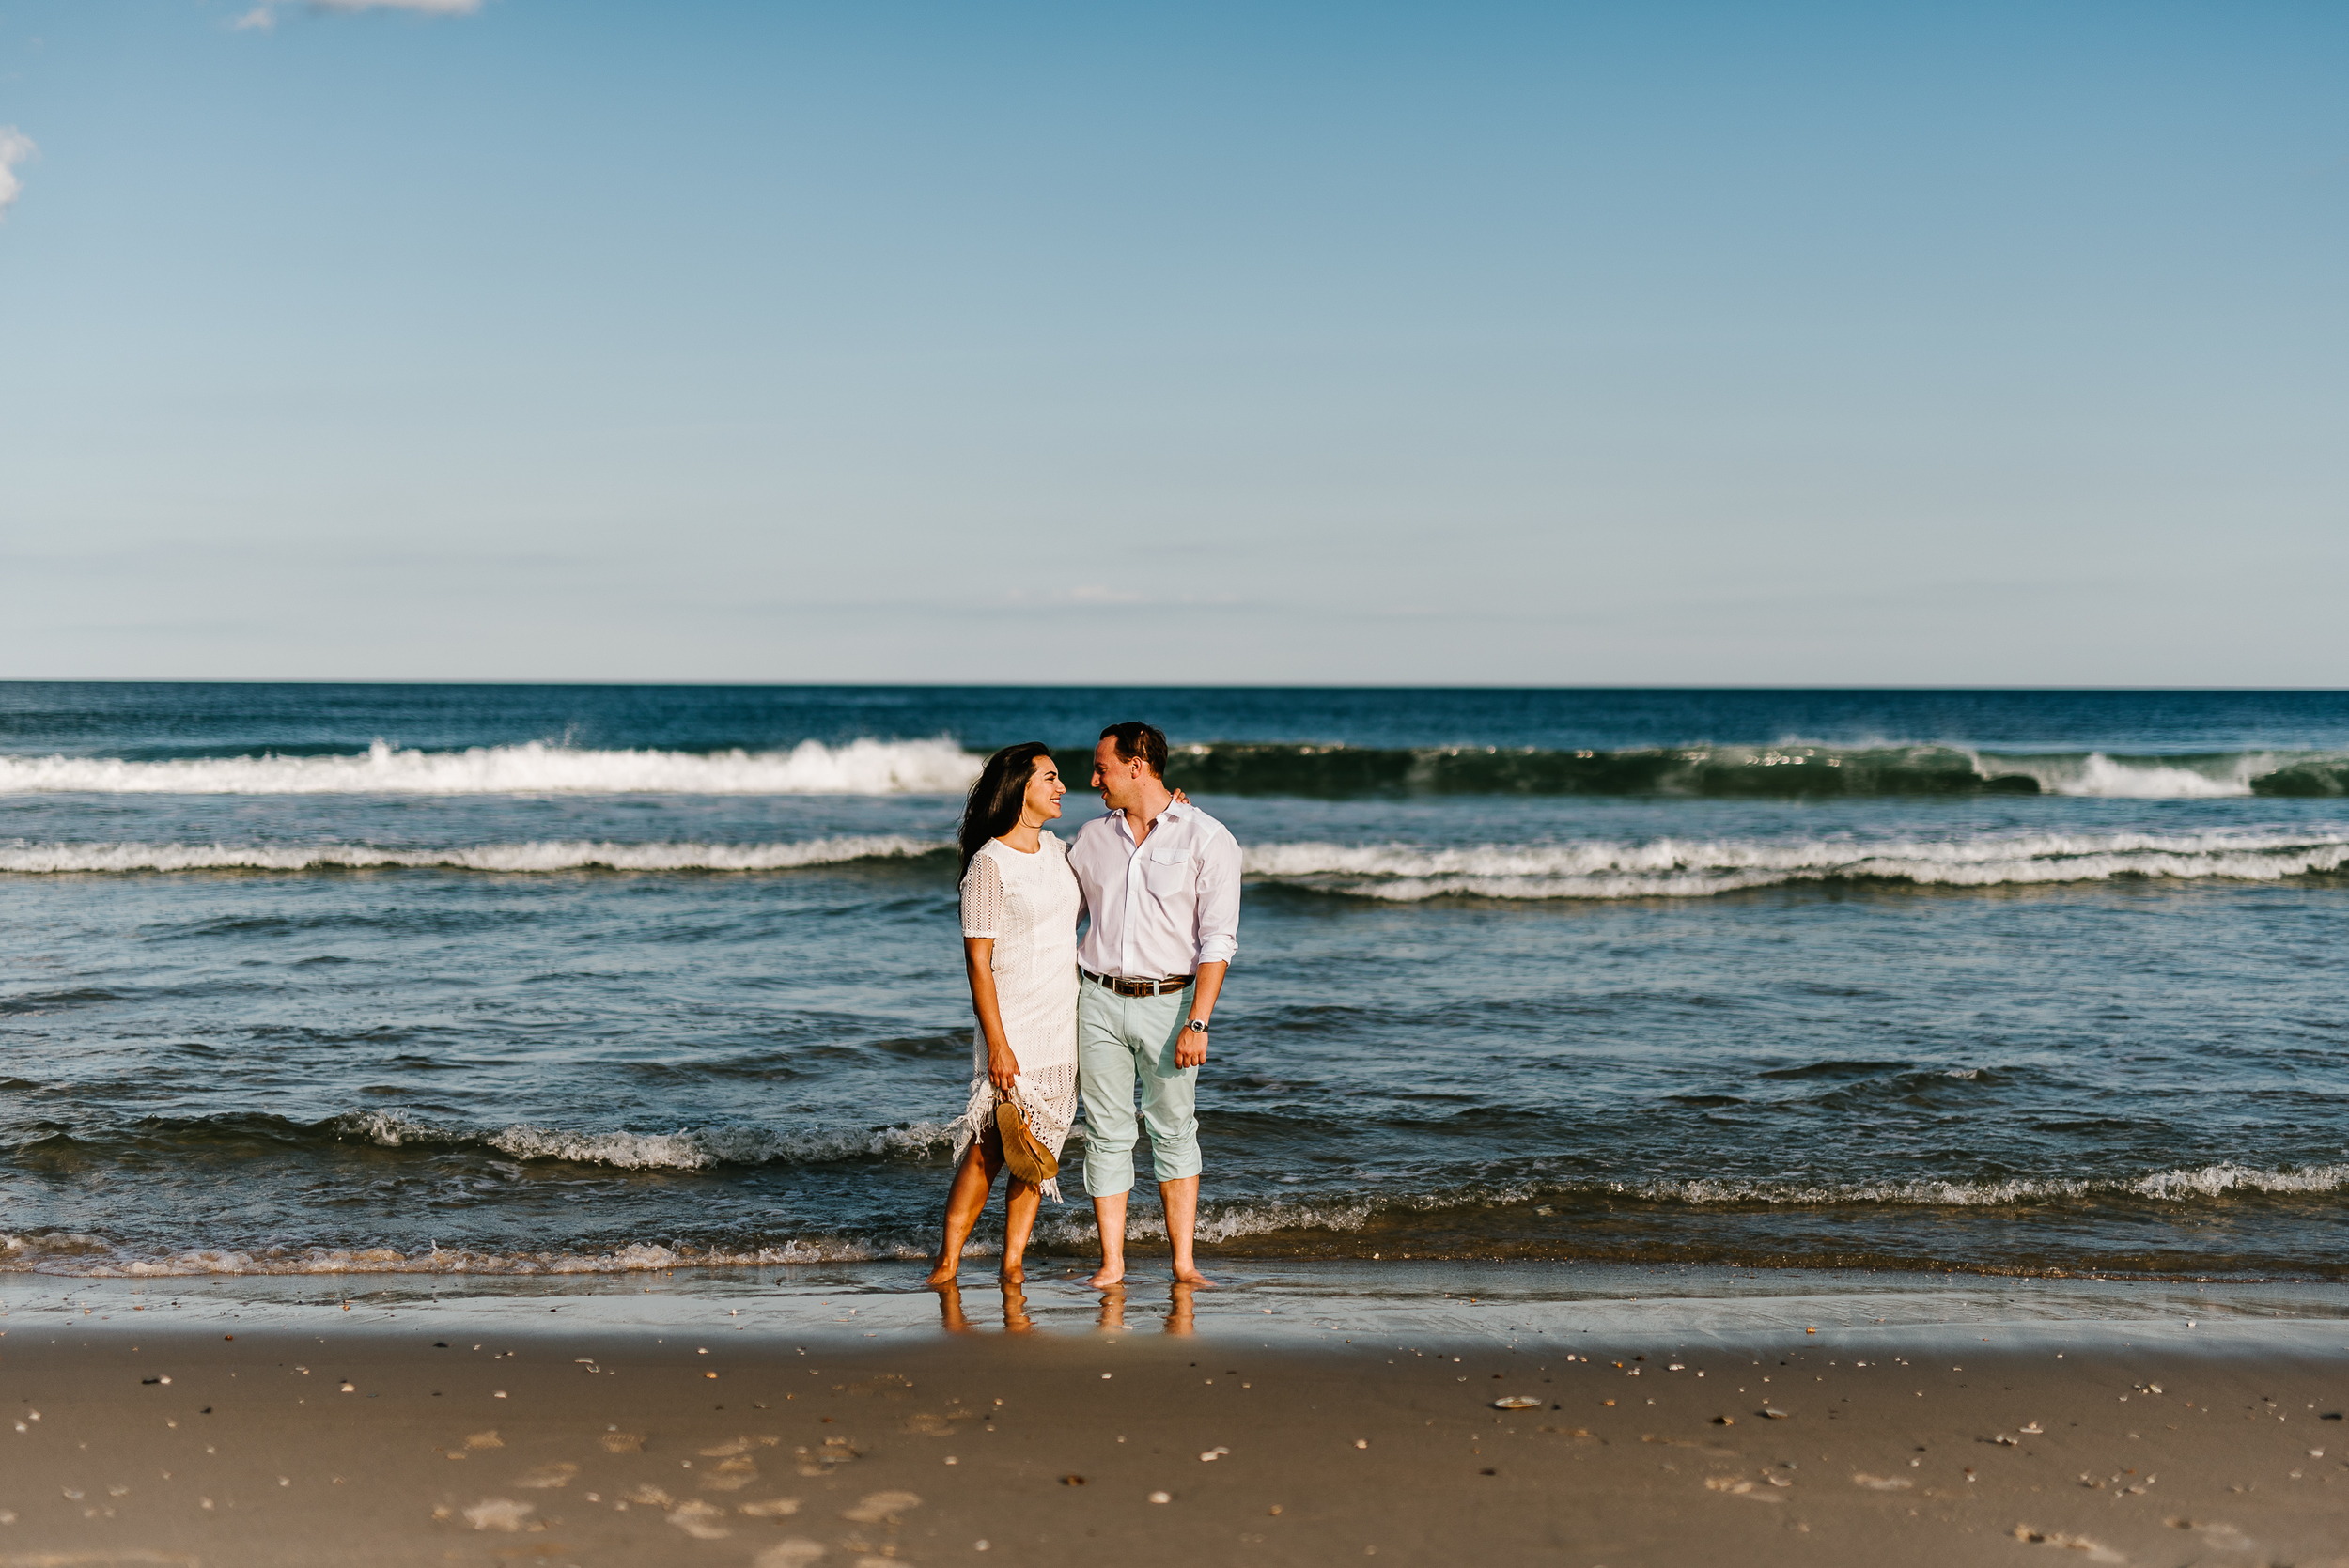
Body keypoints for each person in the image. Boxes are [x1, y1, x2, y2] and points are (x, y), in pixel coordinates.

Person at [1066, 721, 1242, 1287]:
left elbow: (1219, 940)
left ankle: (1184, 1264)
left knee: (1173, 1130)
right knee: (1106, 1132)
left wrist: (1199, 1021)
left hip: (1172, 1005)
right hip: (1095, 1000)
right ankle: (1112, 1265)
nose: (1093, 779)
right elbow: (1058, 918)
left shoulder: (1208, 838)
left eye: (1102, 767)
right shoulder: (1091, 839)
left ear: (1137, 765)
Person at [927, 742, 1081, 1286]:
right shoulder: (988, 865)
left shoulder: (1061, 851)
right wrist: (997, 1043)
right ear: (1020, 788)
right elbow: (978, 961)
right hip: (1013, 1026)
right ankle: (947, 1262)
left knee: (1035, 1151)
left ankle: (1012, 1263)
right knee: (989, 1147)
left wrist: (1166, 811)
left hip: (1061, 1025)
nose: (1062, 787)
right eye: (1051, 778)